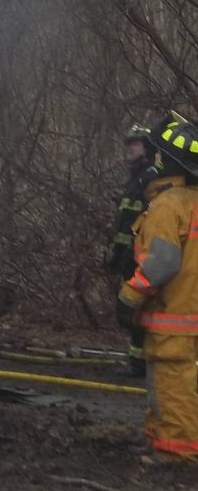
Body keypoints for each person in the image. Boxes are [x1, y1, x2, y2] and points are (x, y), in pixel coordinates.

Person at [117, 112, 198, 463]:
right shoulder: (191, 201)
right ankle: (160, 438)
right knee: (175, 382)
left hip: (175, 315)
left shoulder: (168, 205)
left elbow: (162, 263)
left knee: (171, 380)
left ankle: (175, 452)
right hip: (188, 312)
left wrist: (128, 296)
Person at [108, 124, 155, 377]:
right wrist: (117, 252)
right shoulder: (135, 179)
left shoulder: (150, 177)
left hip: (142, 257)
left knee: (138, 309)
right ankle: (138, 362)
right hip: (130, 256)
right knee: (134, 311)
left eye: (134, 144)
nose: (129, 148)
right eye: (128, 144)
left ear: (147, 149)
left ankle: (140, 365)